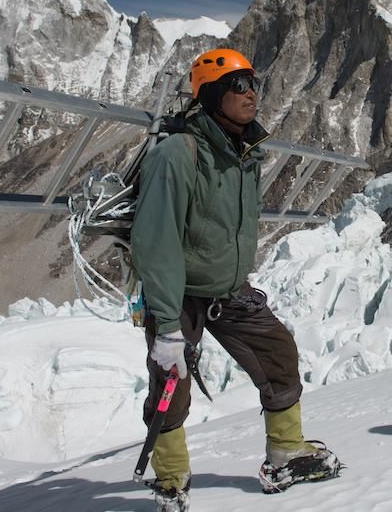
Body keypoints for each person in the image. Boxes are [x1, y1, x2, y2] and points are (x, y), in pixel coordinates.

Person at [131, 48, 340, 510]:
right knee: (170, 384)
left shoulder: (244, 154)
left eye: (254, 84)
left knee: (278, 354)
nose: (252, 94)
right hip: (179, 293)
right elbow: (156, 241)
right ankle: (171, 479)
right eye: (239, 86)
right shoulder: (178, 154)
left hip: (227, 289)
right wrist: (166, 325)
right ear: (211, 95)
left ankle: (285, 452)